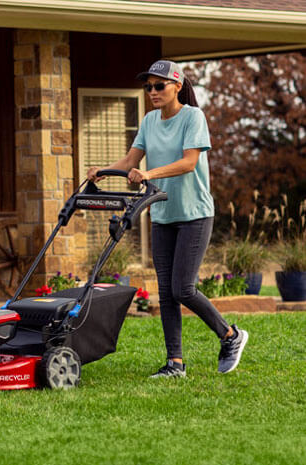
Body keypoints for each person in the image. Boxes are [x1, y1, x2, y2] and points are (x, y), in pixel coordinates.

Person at [87, 60, 248, 377]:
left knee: (183, 288)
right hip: (162, 214)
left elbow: (188, 163)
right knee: (166, 291)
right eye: (148, 87)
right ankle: (175, 363)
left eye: (159, 86)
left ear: (177, 85)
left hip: (194, 214)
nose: (152, 92)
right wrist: (103, 170)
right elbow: (131, 160)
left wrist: (149, 173)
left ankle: (230, 335)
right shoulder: (149, 121)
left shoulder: (193, 117)